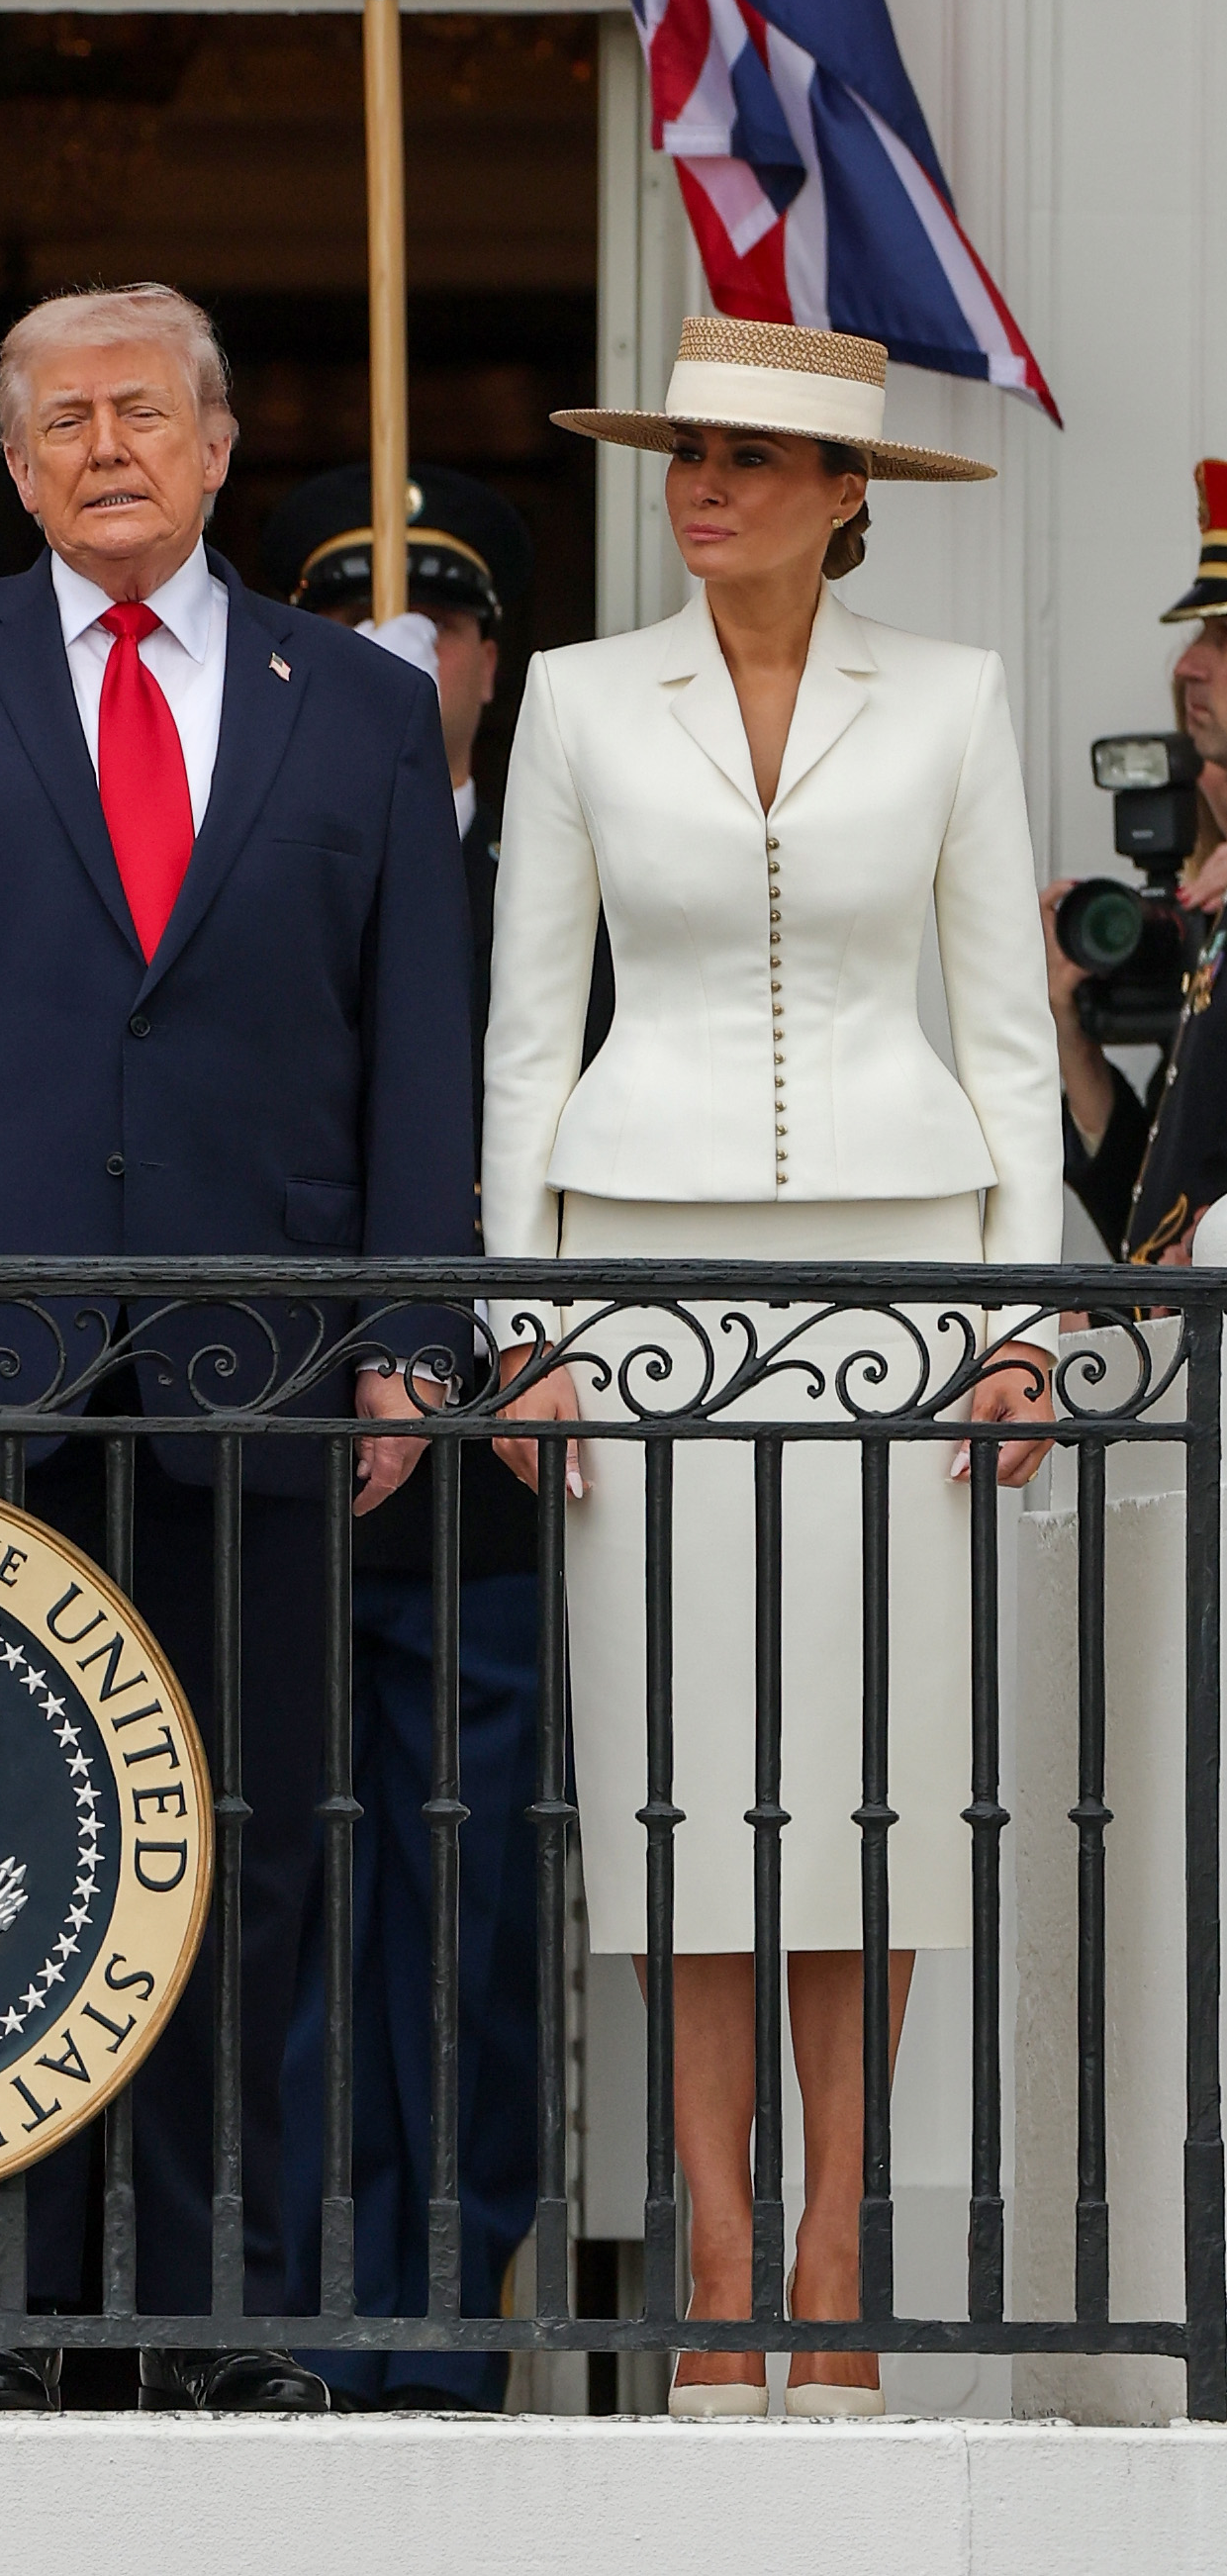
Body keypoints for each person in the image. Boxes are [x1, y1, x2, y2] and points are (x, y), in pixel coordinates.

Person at [0, 284, 477, 2417]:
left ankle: (205, 2301)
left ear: (221, 441)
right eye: (56, 419)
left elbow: (414, 1046)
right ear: (9, 460)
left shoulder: (354, 703)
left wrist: (410, 1337)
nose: (100, 448)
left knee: (235, 1849)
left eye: (137, 411)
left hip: (255, 1363)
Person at [485, 318, 1061, 2415]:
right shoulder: (570, 700)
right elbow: (525, 1031)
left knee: (876, 1775)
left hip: (904, 1284)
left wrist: (1017, 1330)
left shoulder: (956, 702)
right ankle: (715, 2249)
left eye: (750, 459)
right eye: (685, 453)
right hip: (636, 1283)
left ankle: (839, 2246)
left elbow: (1007, 1031)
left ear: (847, 502)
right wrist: (518, 1327)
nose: (704, 485)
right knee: (679, 1783)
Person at [262, 462, 543, 2410]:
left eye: (431, 622)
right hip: (273, 1454)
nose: (397, 656)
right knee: (276, 1902)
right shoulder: (237, 846)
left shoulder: (554, 875)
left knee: (461, 1920)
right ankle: (285, 2311)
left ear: (485, 663)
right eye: (348, 624)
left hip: (482, 1493)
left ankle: (439, 2300)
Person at [1049, 462, 1227, 1266]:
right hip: (1182, 1365)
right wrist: (1066, 1026)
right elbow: (1146, 1217)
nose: (1186, 665)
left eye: (1224, 640)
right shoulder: (1206, 893)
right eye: (1199, 637)